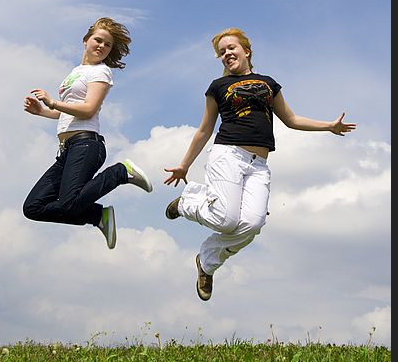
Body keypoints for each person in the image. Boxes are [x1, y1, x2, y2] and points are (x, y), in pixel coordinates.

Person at [164, 27, 356, 301]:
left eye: (231, 48)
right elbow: (205, 129)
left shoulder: (268, 83)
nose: (226, 54)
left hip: (259, 164)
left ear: (246, 50)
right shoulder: (217, 87)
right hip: (228, 155)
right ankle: (187, 202)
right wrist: (184, 165)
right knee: (226, 219)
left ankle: (206, 262)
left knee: (252, 225)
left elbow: (291, 119)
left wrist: (329, 127)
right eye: (221, 52)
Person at [23, 17, 152, 249]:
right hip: (67, 150)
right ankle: (97, 216)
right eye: (98, 40)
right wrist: (42, 111)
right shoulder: (76, 72)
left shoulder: (101, 73)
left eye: (107, 45)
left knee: (69, 203)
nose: (102, 46)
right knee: (33, 207)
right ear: (86, 40)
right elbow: (69, 112)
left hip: (86, 145)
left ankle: (121, 172)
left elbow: (88, 109)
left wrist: (52, 102)